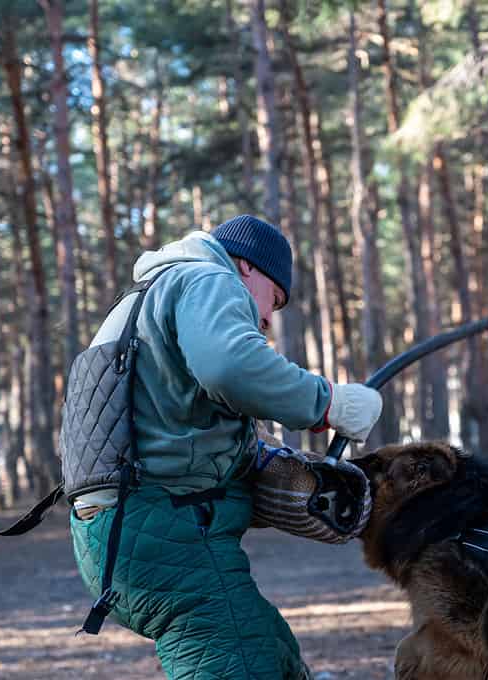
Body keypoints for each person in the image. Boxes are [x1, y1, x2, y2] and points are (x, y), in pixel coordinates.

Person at [69, 214, 383, 679]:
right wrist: (327, 402)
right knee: (240, 659)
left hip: (124, 535)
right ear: (247, 267)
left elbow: (176, 422)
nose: (268, 319)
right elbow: (229, 368)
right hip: (161, 531)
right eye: (273, 300)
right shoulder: (207, 278)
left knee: (270, 649)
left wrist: (255, 463)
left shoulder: (155, 293)